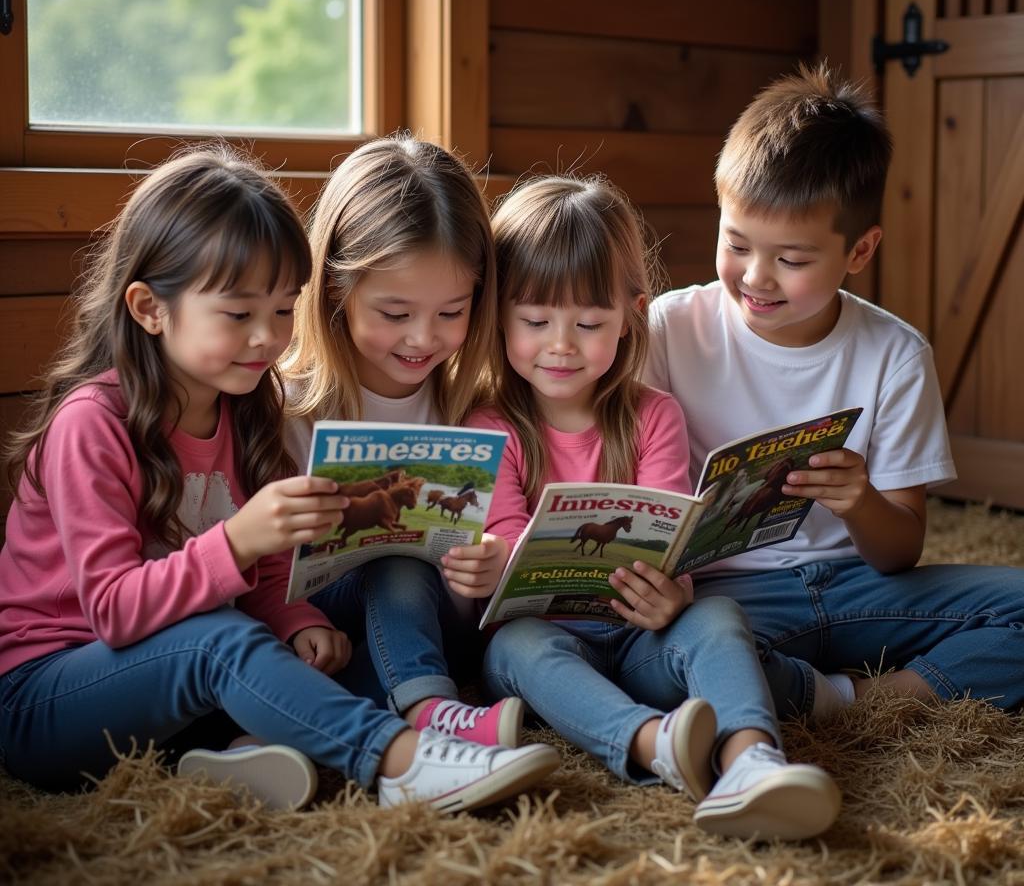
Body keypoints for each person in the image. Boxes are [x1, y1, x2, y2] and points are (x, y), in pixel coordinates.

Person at [0, 146, 559, 812]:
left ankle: (233, 756)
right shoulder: (92, 423)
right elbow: (115, 613)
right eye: (239, 315)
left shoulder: (245, 408)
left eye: (282, 310)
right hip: (44, 697)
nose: (266, 338)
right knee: (222, 644)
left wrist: (294, 622)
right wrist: (236, 541)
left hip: (170, 679)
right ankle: (401, 760)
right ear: (150, 308)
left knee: (337, 657)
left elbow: (263, 576)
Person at [645, 62, 1024, 719]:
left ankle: (860, 698)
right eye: (735, 244)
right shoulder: (670, 327)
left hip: (858, 586)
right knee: (653, 659)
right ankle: (782, 683)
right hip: (726, 599)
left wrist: (859, 500)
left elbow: (901, 549)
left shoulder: (895, 355)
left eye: (792, 260)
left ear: (860, 252)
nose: (756, 278)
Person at [467, 175, 841, 840]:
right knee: (517, 649)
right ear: (498, 316)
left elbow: (671, 529)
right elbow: (501, 534)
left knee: (718, 615)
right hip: (545, 641)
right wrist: (493, 564)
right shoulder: (492, 425)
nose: (561, 345)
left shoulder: (653, 414)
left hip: (641, 634)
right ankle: (653, 745)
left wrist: (676, 593)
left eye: (588, 324)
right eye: (533, 322)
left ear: (632, 316)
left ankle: (750, 760)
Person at [282, 134, 524, 749]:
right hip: (322, 630)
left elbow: (496, 533)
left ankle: (428, 711)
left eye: (451, 312)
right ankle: (415, 713)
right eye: (395, 313)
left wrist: (493, 563)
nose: (423, 337)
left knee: (399, 558)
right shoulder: (285, 405)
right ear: (336, 289)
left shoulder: (473, 405)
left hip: (445, 627)